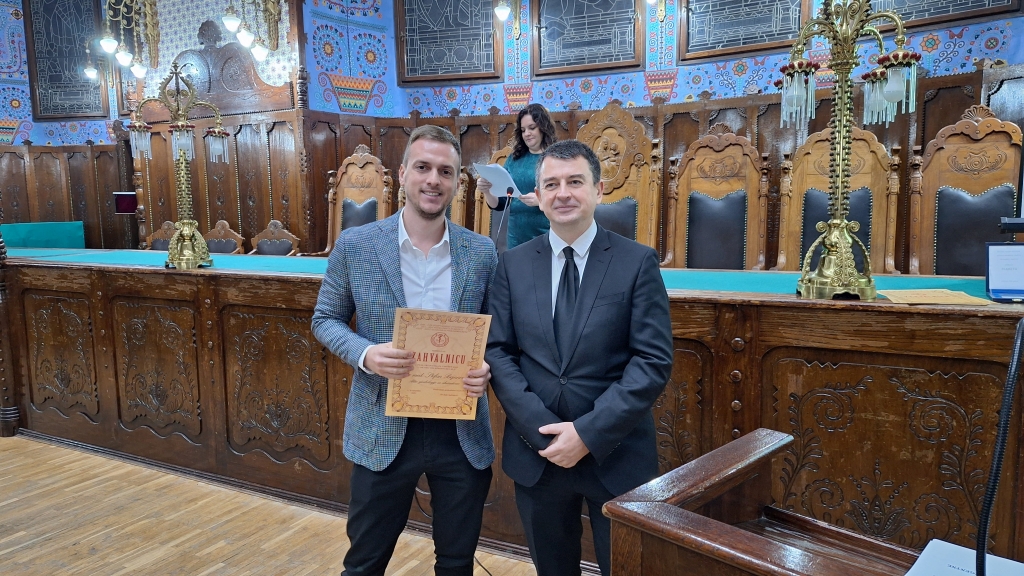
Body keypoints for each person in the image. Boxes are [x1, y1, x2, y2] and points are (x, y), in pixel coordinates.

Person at [311, 125, 497, 576]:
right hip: (383, 424)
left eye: (446, 171)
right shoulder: (356, 245)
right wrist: (366, 354)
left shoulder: (482, 252)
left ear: (457, 182)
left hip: (460, 430)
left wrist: (488, 366)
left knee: (456, 563)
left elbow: (497, 336)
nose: (434, 180)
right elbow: (325, 319)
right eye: (423, 167)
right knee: (364, 564)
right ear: (403, 173)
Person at [485, 139, 674, 576]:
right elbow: (499, 351)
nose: (563, 193)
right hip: (538, 454)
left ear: (599, 189)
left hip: (616, 451)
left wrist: (587, 433)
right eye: (551, 184)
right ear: (538, 195)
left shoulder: (637, 262)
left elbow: (652, 361)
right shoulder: (512, 265)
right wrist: (543, 432)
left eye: (575, 181)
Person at [477, 102, 558, 249]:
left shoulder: (557, 158)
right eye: (523, 130)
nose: (527, 133)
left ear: (543, 127)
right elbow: (501, 204)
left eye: (532, 128)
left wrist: (542, 200)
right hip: (516, 236)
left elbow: (565, 196)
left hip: (548, 232)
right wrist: (487, 191)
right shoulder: (514, 159)